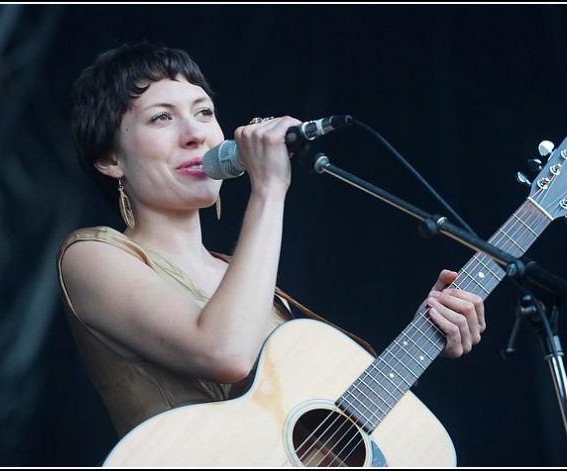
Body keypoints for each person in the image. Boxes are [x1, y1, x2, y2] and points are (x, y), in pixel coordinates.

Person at [56, 40, 486, 445]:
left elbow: (320, 436)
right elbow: (225, 353)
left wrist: (427, 333)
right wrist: (269, 189)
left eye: (204, 112)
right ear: (110, 159)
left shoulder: (243, 277)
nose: (196, 134)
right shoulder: (90, 256)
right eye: (161, 117)